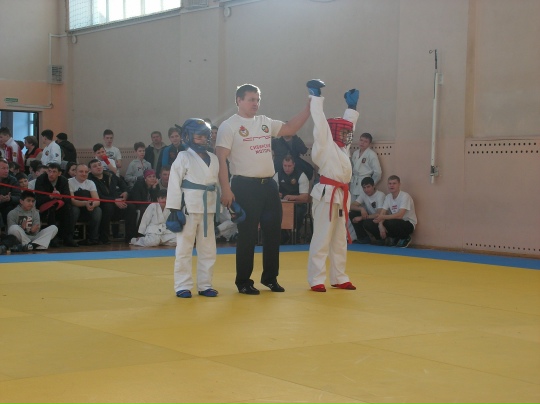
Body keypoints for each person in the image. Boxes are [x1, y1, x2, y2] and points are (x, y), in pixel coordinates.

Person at [216, 83, 310, 295]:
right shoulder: (229, 126)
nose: (255, 103)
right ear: (239, 101)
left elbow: (290, 128)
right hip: (244, 186)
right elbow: (221, 159)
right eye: (251, 99)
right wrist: (226, 189)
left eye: (257, 100)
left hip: (268, 185)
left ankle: (270, 278)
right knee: (248, 235)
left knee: (273, 233)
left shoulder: (264, 122)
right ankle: (243, 281)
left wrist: (308, 108)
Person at [306, 79, 359, 292]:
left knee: (339, 239)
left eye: (348, 133)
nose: (348, 136)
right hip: (326, 195)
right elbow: (320, 123)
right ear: (335, 132)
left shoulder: (343, 149)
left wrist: (352, 108)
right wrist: (316, 96)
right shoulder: (324, 144)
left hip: (341, 195)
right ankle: (316, 279)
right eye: (344, 133)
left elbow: (349, 125)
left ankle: (339, 277)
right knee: (321, 238)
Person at [166, 118, 220, 298]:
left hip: (209, 208)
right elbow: (174, 183)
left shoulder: (213, 158)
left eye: (205, 136)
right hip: (188, 209)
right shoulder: (183, 156)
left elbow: (217, 184)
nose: (203, 139)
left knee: (208, 249)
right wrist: (174, 209)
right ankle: (182, 285)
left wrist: (226, 204)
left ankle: (205, 285)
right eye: (199, 136)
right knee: (184, 248)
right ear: (188, 137)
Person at [88, 158, 137, 244]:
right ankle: (104, 238)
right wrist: (114, 200)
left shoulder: (110, 174)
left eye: (99, 165)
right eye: (95, 166)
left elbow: (122, 183)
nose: (98, 167)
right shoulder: (90, 180)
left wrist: (125, 192)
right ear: (90, 170)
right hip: (103, 204)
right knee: (108, 207)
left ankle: (130, 237)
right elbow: (99, 196)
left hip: (117, 201)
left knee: (131, 207)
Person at [363, 175, 417, 248]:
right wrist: (380, 225)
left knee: (390, 222)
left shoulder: (405, 196)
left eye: (394, 183)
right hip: (394, 221)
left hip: (407, 224)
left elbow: (400, 215)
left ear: (399, 184)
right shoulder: (388, 197)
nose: (391, 185)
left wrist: (382, 217)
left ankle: (405, 237)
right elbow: (382, 213)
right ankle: (383, 239)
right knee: (369, 222)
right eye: (390, 183)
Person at [34, 162, 78, 247]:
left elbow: (68, 198)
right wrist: (50, 196)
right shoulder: (40, 179)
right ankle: (53, 238)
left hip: (60, 205)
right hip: (45, 207)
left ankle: (68, 238)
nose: (51, 174)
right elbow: (38, 199)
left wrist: (60, 196)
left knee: (68, 208)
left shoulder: (64, 180)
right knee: (52, 209)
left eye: (54, 172)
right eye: (49, 171)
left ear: (59, 173)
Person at [272, 155, 310, 239]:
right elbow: (271, 193)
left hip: (298, 205)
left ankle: (295, 236)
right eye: (285, 166)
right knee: (273, 212)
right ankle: (283, 236)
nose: (287, 168)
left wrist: (293, 197)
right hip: (282, 205)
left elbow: (305, 197)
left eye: (289, 166)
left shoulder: (301, 175)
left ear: (294, 165)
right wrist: (276, 194)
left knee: (298, 213)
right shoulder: (277, 175)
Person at [68, 164, 102, 246]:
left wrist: (92, 205)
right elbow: (72, 201)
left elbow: (97, 200)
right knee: (74, 210)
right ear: (75, 172)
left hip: (87, 208)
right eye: (81, 171)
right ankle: (69, 238)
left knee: (98, 210)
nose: (84, 174)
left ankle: (93, 238)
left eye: (86, 172)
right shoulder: (69, 182)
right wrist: (85, 203)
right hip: (75, 207)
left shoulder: (90, 183)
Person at [349, 177, 385, 244]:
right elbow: (351, 206)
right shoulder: (363, 194)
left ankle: (381, 239)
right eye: (364, 188)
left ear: (373, 186)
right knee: (352, 214)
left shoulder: (380, 195)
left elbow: (379, 214)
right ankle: (363, 238)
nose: (366, 190)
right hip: (370, 217)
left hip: (381, 220)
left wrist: (361, 217)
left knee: (368, 222)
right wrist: (361, 209)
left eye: (368, 187)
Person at [350, 132, 382, 201]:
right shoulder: (355, 153)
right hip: (354, 182)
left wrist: (371, 184)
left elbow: (378, 172)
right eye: (361, 140)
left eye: (365, 141)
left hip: (365, 182)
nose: (362, 143)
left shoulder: (371, 154)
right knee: (352, 204)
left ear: (369, 144)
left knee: (363, 203)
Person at [0, 158, 21, 225]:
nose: (6, 171)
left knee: (10, 211)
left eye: (7, 168)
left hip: (8, 205)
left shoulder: (13, 180)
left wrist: (10, 198)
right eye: (3, 168)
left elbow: (19, 196)